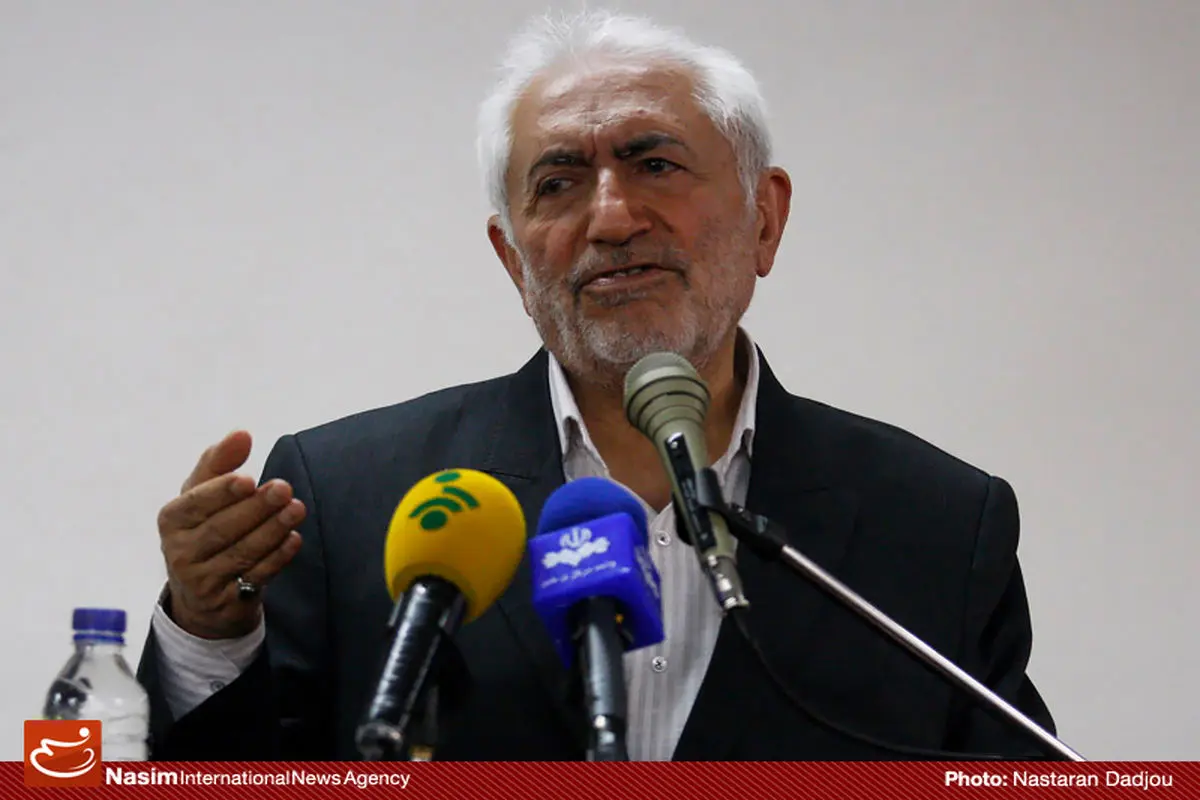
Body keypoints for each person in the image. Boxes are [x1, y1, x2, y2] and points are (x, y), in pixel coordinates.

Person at [139, 10, 1056, 761]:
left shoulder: (935, 525)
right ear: (512, 259)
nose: (611, 218)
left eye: (655, 163)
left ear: (765, 219)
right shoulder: (348, 499)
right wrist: (207, 632)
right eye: (559, 183)